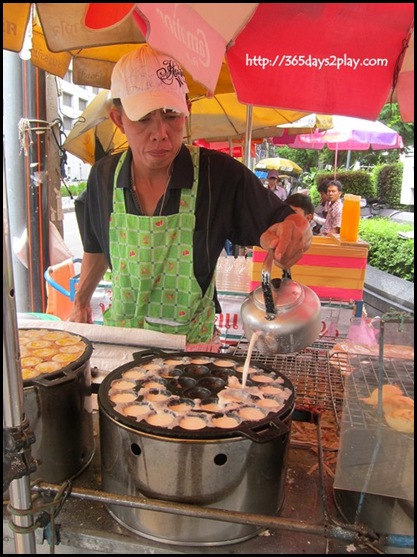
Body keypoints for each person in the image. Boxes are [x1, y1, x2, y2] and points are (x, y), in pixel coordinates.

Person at [68, 45, 312, 343]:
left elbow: (278, 225)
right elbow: (95, 248)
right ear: (118, 119)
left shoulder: (218, 175)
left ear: (187, 108)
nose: (160, 132)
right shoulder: (103, 177)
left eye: (171, 115)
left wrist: (295, 230)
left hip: (191, 354)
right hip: (123, 343)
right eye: (143, 118)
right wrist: (81, 301)